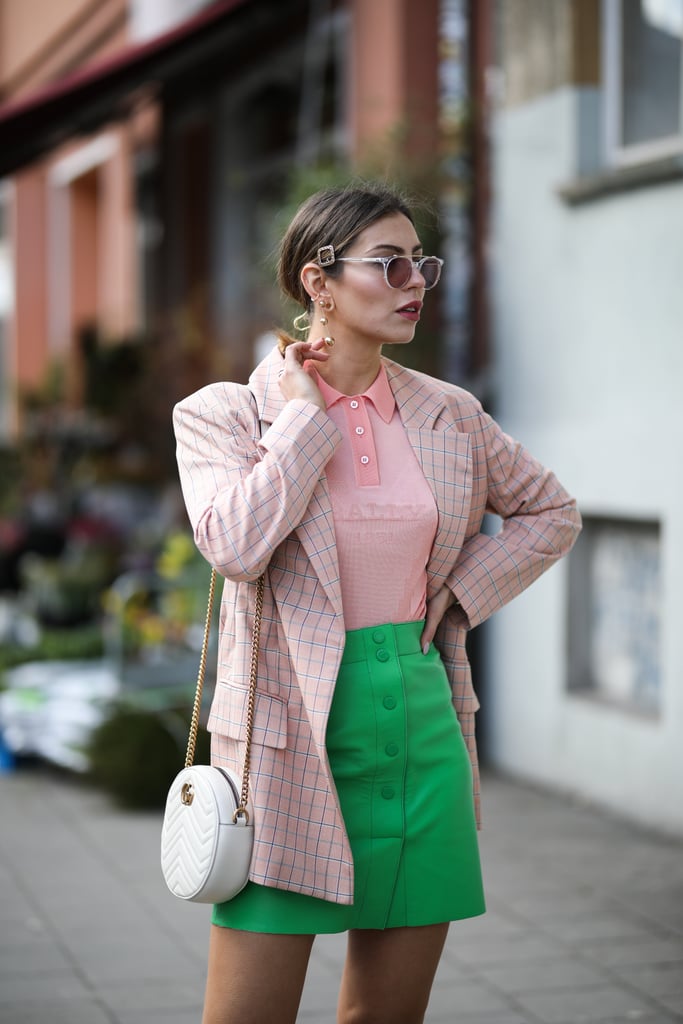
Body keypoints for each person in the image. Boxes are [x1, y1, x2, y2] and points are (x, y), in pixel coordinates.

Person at [173, 181, 582, 1024]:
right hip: (284, 741)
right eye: (388, 263)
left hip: (421, 724)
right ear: (317, 282)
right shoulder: (227, 414)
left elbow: (552, 513)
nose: (414, 282)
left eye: (420, 263)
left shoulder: (450, 414)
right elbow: (234, 545)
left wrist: (460, 592)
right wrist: (299, 420)